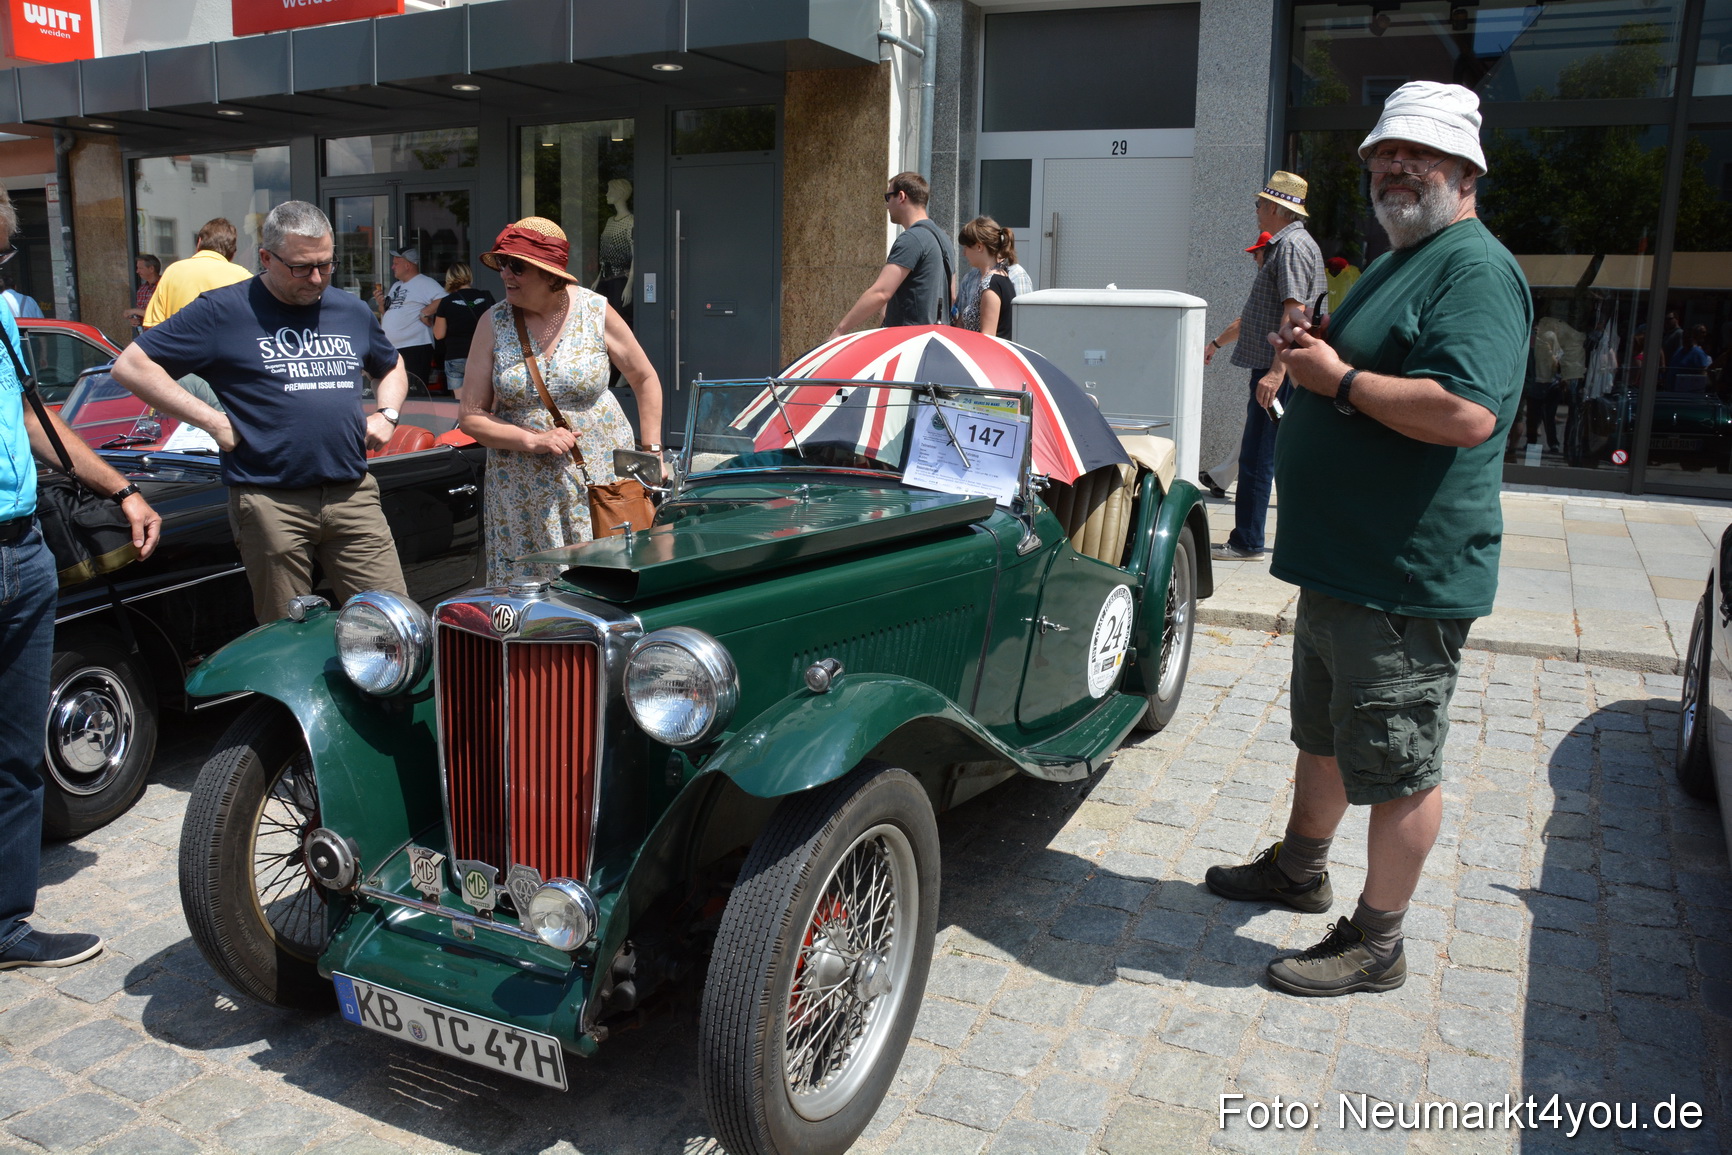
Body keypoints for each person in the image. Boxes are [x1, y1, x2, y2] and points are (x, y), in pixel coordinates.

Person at [1205, 81, 1529, 997]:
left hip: (1402, 574)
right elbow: (1366, 360)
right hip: (1343, 563)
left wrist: (1339, 380)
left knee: (1397, 760)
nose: (1393, 167)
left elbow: (1465, 410)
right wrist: (1317, 341)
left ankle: (1378, 941)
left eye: (1416, 155)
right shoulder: (1401, 257)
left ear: (1465, 171)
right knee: (1329, 731)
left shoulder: (1477, 270)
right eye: (1384, 153)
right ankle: (1301, 866)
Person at [110, 200, 410, 624]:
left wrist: (388, 414)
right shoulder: (223, 310)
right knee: (287, 633)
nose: (317, 278)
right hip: (271, 499)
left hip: (351, 492)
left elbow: (391, 363)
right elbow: (132, 365)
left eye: (326, 265)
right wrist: (213, 421)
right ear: (266, 258)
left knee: (396, 623)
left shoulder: (349, 309)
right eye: (302, 267)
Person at [0, 188, 161, 971]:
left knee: (16, 748)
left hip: (21, 549)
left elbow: (34, 423)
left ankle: (4, 924)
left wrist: (120, 488)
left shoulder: (1, 315)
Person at [458, 217, 663, 585]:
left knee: (607, 581)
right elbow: (472, 417)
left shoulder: (594, 310)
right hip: (522, 492)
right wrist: (531, 440)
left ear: (550, 273)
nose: (506, 274)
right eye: (502, 264)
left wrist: (652, 452)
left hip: (600, 483)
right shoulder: (493, 322)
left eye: (517, 266)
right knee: (531, 598)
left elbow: (644, 378)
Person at [1204, 174, 1326, 561]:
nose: (1256, 210)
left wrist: (1276, 372)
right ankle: (1258, 538)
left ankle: (1247, 542)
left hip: (1279, 368)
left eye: (1259, 204)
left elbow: (1296, 314)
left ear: (1276, 208)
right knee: (1268, 454)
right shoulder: (1293, 244)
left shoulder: (1289, 246)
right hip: (1286, 366)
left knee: (1258, 456)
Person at [828, 172, 955, 338]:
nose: (887, 205)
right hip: (936, 340)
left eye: (888, 197)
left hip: (910, 342)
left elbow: (881, 292)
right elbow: (952, 296)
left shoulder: (912, 239)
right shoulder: (944, 239)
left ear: (901, 196)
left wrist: (840, 331)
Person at [1200, 231, 1278, 497]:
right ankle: (1220, 477)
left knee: (1261, 435)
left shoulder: (1271, 282)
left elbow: (1242, 323)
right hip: (1285, 372)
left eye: (1256, 252)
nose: (1253, 258)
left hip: (1276, 373)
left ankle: (1222, 480)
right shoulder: (1278, 280)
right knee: (1258, 429)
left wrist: (1214, 345)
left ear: (1267, 252)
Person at [142, 219, 253, 328]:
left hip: (179, 345)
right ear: (233, 252)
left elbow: (153, 326)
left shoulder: (174, 271)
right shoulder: (244, 277)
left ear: (199, 242)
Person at [372, 246, 444, 388]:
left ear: (408, 264)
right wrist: (381, 305)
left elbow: (444, 299)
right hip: (394, 347)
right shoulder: (396, 286)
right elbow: (388, 312)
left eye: (396, 263)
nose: (393, 267)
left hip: (415, 346)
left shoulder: (425, 282)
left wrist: (425, 312)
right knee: (395, 388)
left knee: (414, 389)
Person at [421, 264, 494, 396]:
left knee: (459, 403)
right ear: (469, 276)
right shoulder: (486, 297)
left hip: (456, 356)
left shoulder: (446, 302)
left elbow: (439, 335)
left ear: (449, 279)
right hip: (482, 355)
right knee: (483, 400)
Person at [956, 216, 1017, 339]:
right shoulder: (1001, 277)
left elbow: (987, 337)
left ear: (979, 247)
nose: (964, 253)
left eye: (966, 247)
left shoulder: (991, 284)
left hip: (988, 356)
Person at [123, 254, 161, 329]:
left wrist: (134, 311)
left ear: (151, 269)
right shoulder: (142, 289)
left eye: (140, 268)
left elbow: (159, 314)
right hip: (147, 334)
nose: (137, 271)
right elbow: (142, 314)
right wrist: (135, 319)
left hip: (162, 333)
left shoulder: (164, 287)